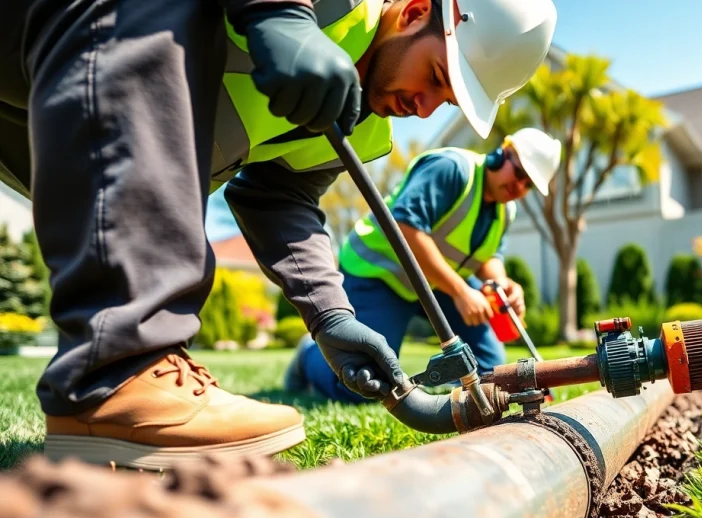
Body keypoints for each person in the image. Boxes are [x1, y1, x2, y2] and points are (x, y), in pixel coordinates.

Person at [0, 0, 556, 469]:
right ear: (413, 13)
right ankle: (120, 374)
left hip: (42, 121)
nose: (425, 108)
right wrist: (280, 14)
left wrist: (331, 317)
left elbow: (278, 198)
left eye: (446, 101)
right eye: (436, 77)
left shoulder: (363, 124)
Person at [283, 128, 560, 402]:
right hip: (378, 273)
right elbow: (406, 227)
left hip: (436, 284)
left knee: (490, 370)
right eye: (520, 173)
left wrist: (502, 283)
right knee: (364, 382)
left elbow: (489, 257)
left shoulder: (505, 210)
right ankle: (308, 357)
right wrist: (460, 291)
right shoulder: (451, 169)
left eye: (529, 185)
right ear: (502, 154)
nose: (519, 187)